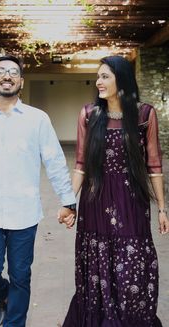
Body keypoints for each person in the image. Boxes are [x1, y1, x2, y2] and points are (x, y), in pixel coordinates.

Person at [60, 55, 169, 327]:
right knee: (97, 262)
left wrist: (163, 209)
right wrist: (67, 202)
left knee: (132, 262)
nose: (98, 81)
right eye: (98, 76)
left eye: (105, 76)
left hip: (132, 201)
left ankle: (130, 318)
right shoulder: (89, 114)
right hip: (95, 199)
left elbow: (154, 164)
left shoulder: (145, 114)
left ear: (122, 79)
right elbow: (81, 165)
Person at [0, 55, 76, 327]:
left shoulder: (37, 119)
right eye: (1, 71)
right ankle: (2, 294)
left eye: (13, 72)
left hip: (25, 213)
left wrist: (68, 201)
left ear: (21, 81)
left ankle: (14, 323)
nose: (7, 75)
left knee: (21, 275)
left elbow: (53, 160)